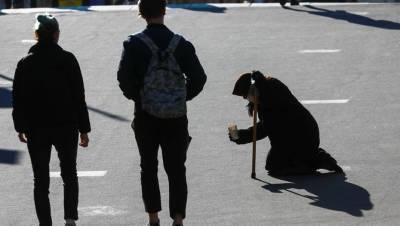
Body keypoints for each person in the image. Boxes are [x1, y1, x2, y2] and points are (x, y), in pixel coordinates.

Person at [117, 0, 207, 225]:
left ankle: (153, 218)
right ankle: (178, 219)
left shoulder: (133, 44)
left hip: (145, 115)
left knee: (148, 166)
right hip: (176, 116)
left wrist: (139, 97)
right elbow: (199, 77)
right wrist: (181, 97)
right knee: (176, 168)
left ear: (141, 14)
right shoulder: (181, 44)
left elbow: (123, 78)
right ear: (165, 11)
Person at [12, 14, 91, 226]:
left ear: (36, 35)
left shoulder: (25, 63)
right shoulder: (68, 59)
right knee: (69, 173)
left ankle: (45, 223)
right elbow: (78, 97)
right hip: (66, 126)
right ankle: (70, 219)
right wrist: (84, 129)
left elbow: (18, 98)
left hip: (36, 128)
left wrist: (20, 126)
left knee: (40, 180)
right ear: (56, 34)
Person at [229, 71, 343, 176]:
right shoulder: (263, 99)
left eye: (246, 94)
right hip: (290, 136)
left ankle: (315, 161)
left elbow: (267, 121)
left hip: (303, 134)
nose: (246, 98)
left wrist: (261, 85)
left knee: (275, 167)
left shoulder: (272, 92)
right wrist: (242, 135)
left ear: (253, 88)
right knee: (273, 164)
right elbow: (265, 127)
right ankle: (310, 157)